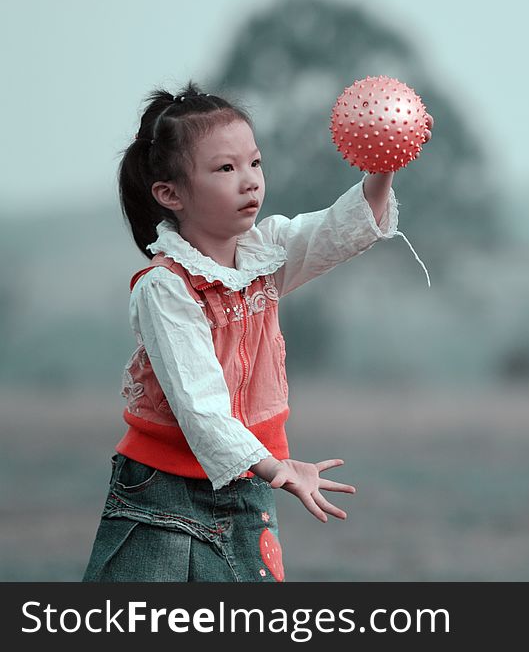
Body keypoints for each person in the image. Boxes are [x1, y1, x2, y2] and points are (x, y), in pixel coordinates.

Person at [82, 80, 433, 582]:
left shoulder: (264, 253)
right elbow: (199, 405)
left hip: (246, 484)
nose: (250, 181)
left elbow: (334, 232)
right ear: (170, 194)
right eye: (226, 168)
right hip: (160, 495)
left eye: (255, 163)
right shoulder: (165, 286)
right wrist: (276, 467)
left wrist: (383, 164)